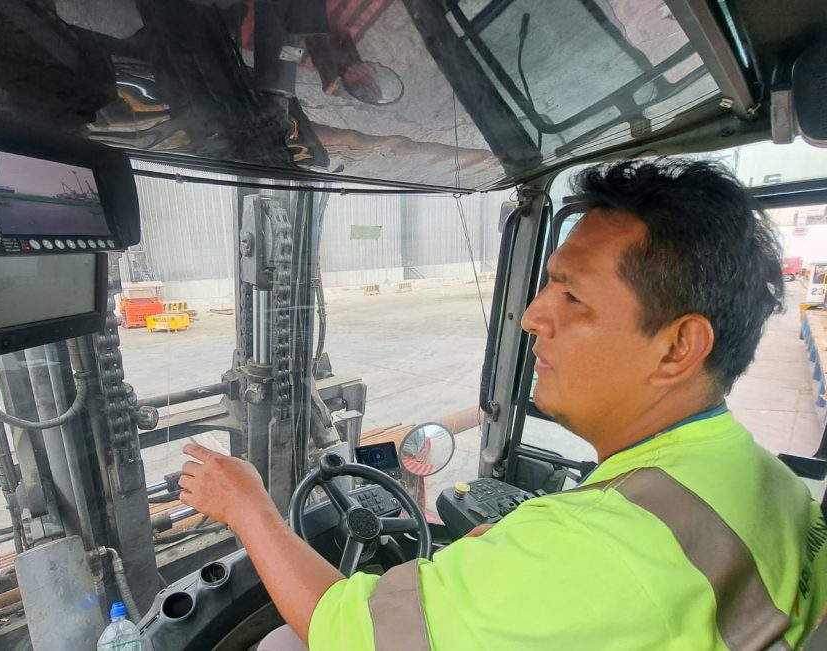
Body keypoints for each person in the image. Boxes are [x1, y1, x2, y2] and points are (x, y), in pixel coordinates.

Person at [179, 159, 827, 649]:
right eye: (546, 285)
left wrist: (247, 506)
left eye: (572, 296)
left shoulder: (597, 548)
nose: (533, 316)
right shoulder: (766, 478)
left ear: (679, 347)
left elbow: (344, 629)